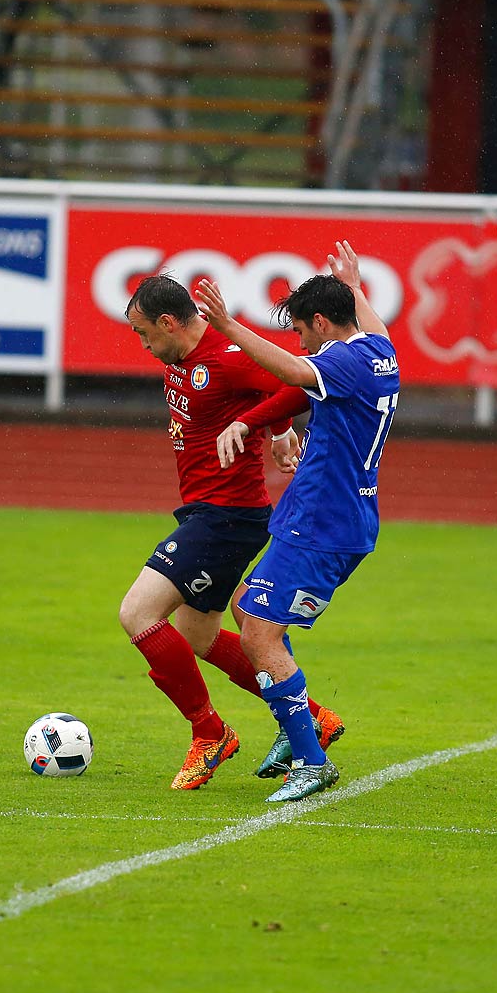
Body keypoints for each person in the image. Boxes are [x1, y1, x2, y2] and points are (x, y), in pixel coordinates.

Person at [117, 274, 343, 791]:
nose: (145, 346)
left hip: (226, 516)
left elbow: (297, 386)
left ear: (169, 322)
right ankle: (313, 717)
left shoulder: (226, 357)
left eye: (144, 334)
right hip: (208, 512)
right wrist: (278, 433)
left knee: (137, 612)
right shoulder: (182, 357)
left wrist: (282, 431)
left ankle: (209, 732)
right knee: (198, 634)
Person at [196, 241, 398, 803]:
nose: (300, 342)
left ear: (321, 323)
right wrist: (355, 284)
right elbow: (366, 325)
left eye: (302, 330)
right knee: (246, 611)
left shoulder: (343, 360)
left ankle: (310, 761)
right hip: (331, 519)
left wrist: (227, 325)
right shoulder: (381, 352)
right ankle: (297, 728)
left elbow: (286, 369)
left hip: (322, 525)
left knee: (258, 632)